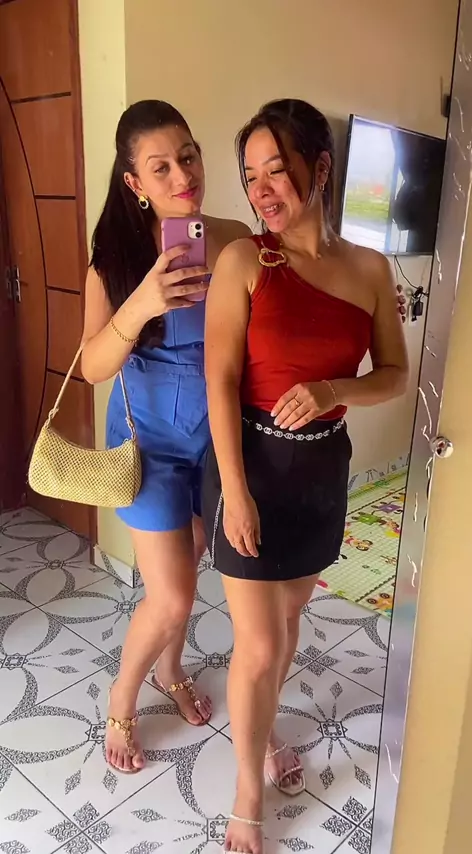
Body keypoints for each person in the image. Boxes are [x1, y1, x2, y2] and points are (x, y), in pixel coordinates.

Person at [202, 98, 409, 854]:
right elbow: (221, 380)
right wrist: (234, 492)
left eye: (276, 171)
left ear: (320, 169)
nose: (261, 190)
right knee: (258, 646)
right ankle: (247, 794)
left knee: (288, 623)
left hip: (322, 468)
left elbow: (394, 373)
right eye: (250, 176)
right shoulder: (244, 261)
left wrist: (333, 390)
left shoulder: (370, 269)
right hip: (249, 464)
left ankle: (262, 732)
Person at [81, 100, 250, 773]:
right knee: (173, 594)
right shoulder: (115, 261)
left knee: (197, 553)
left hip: (212, 437)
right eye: (161, 167)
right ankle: (122, 699)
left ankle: (170, 669)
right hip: (146, 442)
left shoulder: (230, 237)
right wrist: (145, 300)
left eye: (189, 155)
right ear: (135, 183)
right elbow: (93, 365)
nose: (183, 175)